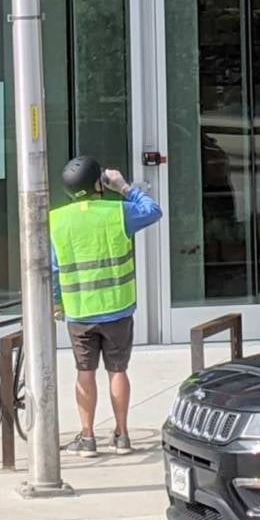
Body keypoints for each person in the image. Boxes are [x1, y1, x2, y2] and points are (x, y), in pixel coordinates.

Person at [48, 154, 161, 454]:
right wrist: (124, 187)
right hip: (117, 308)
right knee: (117, 371)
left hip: (80, 311)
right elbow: (153, 211)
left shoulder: (58, 221)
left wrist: (57, 303)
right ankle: (122, 435)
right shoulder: (117, 212)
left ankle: (87, 438)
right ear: (99, 183)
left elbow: (55, 268)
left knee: (84, 372)